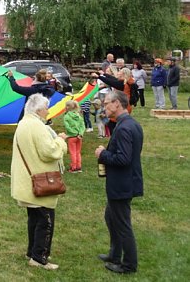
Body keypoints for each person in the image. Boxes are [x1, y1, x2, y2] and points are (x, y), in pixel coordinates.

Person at [11, 93, 67, 271]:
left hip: (28, 182)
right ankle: (39, 258)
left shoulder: (24, 123)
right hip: (40, 182)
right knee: (45, 221)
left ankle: (32, 252)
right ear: (38, 109)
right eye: (46, 108)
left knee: (35, 219)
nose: (48, 111)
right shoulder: (36, 126)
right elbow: (49, 151)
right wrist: (60, 140)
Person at [94, 90, 143, 274]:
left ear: (117, 104)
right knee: (111, 217)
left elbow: (123, 159)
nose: (104, 106)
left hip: (122, 183)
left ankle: (129, 264)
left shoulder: (124, 128)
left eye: (107, 103)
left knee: (122, 224)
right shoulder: (128, 124)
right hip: (124, 181)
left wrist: (103, 154)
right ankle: (115, 254)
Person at [92, 67, 135, 135]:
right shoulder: (125, 82)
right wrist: (104, 74)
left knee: (114, 124)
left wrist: (99, 77)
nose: (118, 72)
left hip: (122, 107)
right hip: (124, 105)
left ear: (123, 74)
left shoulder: (122, 84)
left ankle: (117, 137)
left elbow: (111, 82)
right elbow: (114, 80)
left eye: (120, 71)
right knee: (115, 123)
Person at [63, 100, 85, 173]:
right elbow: (82, 125)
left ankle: (73, 168)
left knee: (73, 152)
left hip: (72, 137)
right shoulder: (78, 115)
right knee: (78, 152)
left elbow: (67, 127)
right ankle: (79, 167)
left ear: (67, 107)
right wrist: (80, 134)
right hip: (79, 137)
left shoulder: (66, 116)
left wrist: (74, 133)